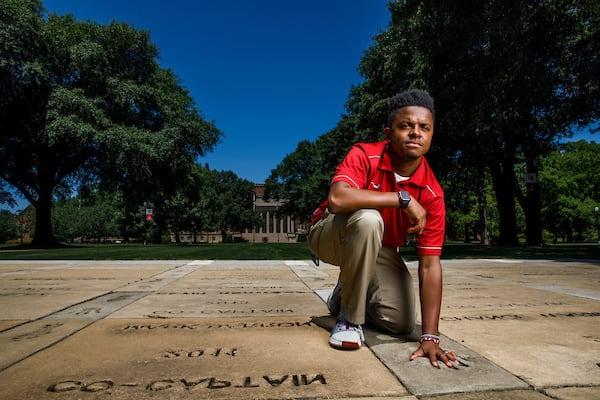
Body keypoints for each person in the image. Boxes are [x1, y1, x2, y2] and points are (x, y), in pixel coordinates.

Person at [308, 89, 457, 368]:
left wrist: (430, 337)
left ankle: (344, 294)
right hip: (330, 234)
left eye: (424, 127)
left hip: (379, 248)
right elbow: (338, 199)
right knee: (368, 217)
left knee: (399, 323)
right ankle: (349, 320)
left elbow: (429, 265)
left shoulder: (432, 192)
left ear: (432, 134)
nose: (416, 133)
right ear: (388, 133)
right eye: (406, 126)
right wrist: (401, 199)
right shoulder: (365, 154)